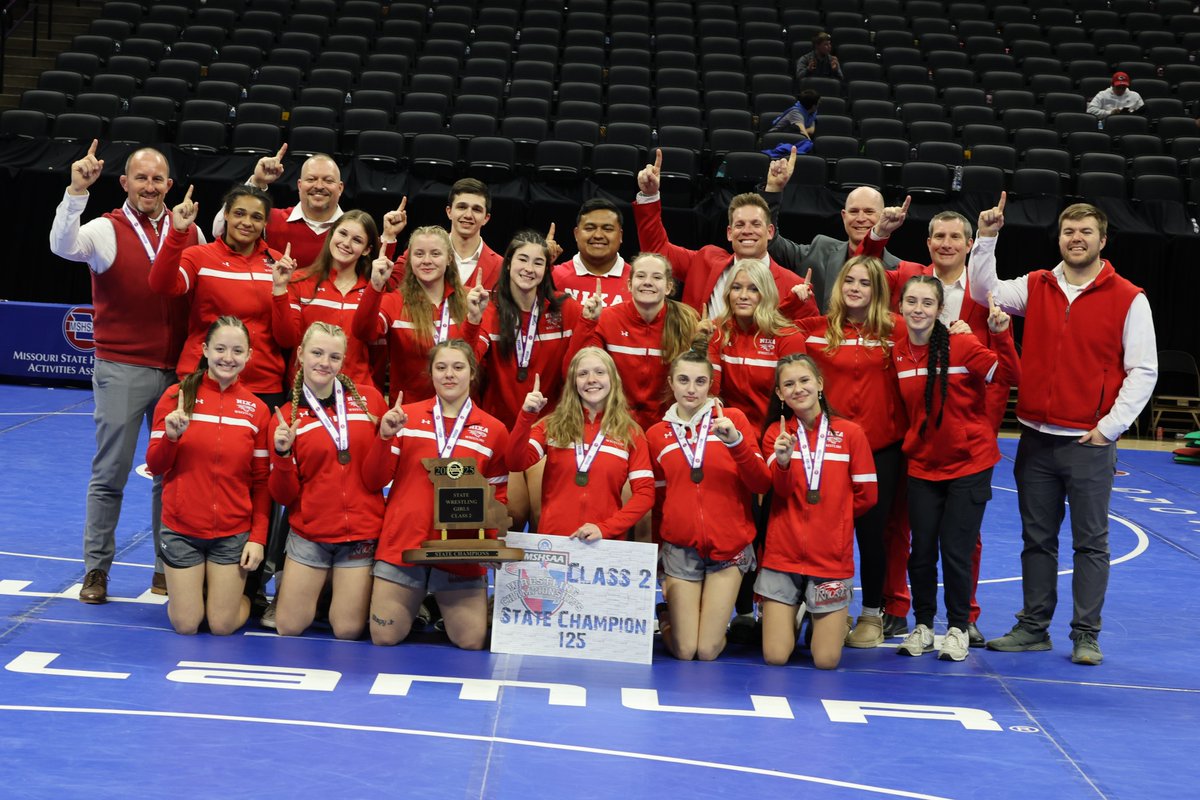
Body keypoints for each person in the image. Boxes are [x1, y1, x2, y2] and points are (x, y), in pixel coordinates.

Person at [971, 196, 1158, 666]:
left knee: (1090, 542)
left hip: (1087, 444)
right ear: (1059, 238)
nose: (1076, 239)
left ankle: (1086, 634)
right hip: (1035, 439)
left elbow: (1144, 371)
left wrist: (1109, 429)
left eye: (1085, 232)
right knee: (1037, 540)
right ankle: (1034, 627)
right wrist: (987, 238)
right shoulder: (1038, 284)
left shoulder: (1130, 297)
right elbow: (982, 291)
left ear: (1102, 239)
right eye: (1069, 231)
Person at [49, 141, 201, 603]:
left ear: (169, 186)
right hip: (121, 368)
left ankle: (166, 568)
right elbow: (62, 246)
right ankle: (97, 570)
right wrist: (76, 190)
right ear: (125, 183)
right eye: (141, 178)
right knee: (111, 472)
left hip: (177, 373)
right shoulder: (104, 229)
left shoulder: (187, 231)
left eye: (158, 179)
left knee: (171, 475)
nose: (149, 187)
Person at [858, 204, 1014, 644]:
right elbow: (866, 272)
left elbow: (999, 368)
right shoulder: (909, 280)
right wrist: (878, 235)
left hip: (969, 425)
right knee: (903, 526)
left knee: (964, 535)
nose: (946, 243)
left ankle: (967, 616)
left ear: (969, 244)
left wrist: (985, 422)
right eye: (938, 236)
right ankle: (898, 608)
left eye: (955, 237)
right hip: (913, 429)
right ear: (928, 243)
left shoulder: (986, 288)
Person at [891, 277, 1020, 661]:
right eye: (911, 301)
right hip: (922, 466)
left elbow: (1009, 376)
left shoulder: (962, 344)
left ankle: (959, 628)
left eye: (927, 303)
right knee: (921, 551)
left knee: (957, 550)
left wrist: (1001, 336)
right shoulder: (897, 354)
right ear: (901, 307)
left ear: (939, 310)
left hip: (969, 464)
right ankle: (924, 626)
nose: (918, 309)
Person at [362, 339, 509, 649]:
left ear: (473, 372)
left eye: (458, 367)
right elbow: (374, 479)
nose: (449, 375)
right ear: (430, 374)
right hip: (405, 541)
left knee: (470, 640)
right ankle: (419, 604)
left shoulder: (494, 429)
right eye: (441, 367)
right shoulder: (405, 418)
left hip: (459, 549)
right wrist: (384, 437)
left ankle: (432, 604)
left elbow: (499, 493)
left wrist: (491, 541)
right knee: (384, 636)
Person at [797, 255, 905, 648]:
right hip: (829, 451)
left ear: (878, 291)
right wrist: (795, 302)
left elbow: (939, 343)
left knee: (873, 535)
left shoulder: (899, 331)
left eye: (865, 283)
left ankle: (873, 614)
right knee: (826, 534)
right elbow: (772, 328)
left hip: (881, 451)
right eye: (849, 281)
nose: (855, 288)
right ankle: (827, 610)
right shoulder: (817, 331)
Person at [145, 316, 269, 635]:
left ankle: (220, 596)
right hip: (182, 529)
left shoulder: (256, 410)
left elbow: (261, 484)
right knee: (187, 625)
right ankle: (195, 591)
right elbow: (156, 466)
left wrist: (257, 538)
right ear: (205, 350)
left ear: (249, 355)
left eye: (237, 350)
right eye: (221, 349)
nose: (228, 358)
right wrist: (171, 437)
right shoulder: (177, 396)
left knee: (222, 625)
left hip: (231, 533)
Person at [647, 351, 771, 661]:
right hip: (680, 550)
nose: (692, 389)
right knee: (686, 650)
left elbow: (761, 483)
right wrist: (658, 552)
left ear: (710, 385)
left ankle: (697, 613)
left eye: (700, 381)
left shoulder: (733, 420)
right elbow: (658, 501)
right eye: (684, 380)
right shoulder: (656, 435)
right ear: (671, 383)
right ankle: (667, 615)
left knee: (707, 650)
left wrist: (735, 443)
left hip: (729, 550)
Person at [268, 322, 387, 639]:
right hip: (311, 535)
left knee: (347, 630)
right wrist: (281, 455)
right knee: (289, 627)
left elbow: (381, 476)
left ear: (343, 360)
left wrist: (386, 438)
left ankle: (335, 591)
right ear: (301, 355)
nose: (324, 362)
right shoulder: (285, 418)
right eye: (317, 353)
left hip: (360, 533)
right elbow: (284, 495)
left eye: (334, 356)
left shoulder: (370, 402)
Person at [759, 355, 877, 668]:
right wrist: (782, 461)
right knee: (775, 656)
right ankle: (800, 607)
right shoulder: (776, 434)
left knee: (826, 660)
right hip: (782, 556)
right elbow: (780, 492)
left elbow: (867, 496)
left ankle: (815, 610)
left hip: (830, 559)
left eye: (804, 380)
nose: (798, 389)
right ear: (780, 394)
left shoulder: (850, 434)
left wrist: (834, 521)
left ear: (819, 384)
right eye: (788, 384)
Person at [462, 231, 585, 528]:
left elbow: (578, 366)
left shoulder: (565, 309)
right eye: (523, 259)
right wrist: (472, 321)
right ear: (507, 264)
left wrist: (589, 324)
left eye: (538, 262)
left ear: (546, 270)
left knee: (546, 516)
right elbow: (467, 363)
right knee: (511, 516)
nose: (529, 268)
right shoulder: (488, 308)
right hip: (502, 430)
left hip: (549, 431)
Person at [150, 184, 295, 405]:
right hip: (203, 380)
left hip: (262, 385)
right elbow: (161, 285)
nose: (246, 222)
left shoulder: (278, 264)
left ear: (265, 223)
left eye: (256, 217)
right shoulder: (199, 257)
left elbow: (286, 338)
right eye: (239, 213)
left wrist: (280, 290)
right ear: (225, 214)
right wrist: (177, 232)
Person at [635, 149, 813, 321]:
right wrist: (649, 196)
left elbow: (812, 338)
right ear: (729, 233)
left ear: (770, 232)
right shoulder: (705, 261)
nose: (747, 230)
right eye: (740, 224)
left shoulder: (793, 286)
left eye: (756, 224)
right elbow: (657, 251)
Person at [506, 347, 655, 541]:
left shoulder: (630, 433)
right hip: (555, 542)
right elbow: (515, 463)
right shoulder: (551, 426)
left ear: (613, 379)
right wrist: (526, 416)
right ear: (573, 383)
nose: (591, 379)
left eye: (600, 372)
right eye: (582, 374)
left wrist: (607, 528)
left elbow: (645, 494)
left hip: (605, 542)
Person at [576, 253, 704, 432]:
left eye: (657, 277)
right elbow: (577, 371)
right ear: (629, 284)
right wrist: (588, 323)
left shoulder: (688, 321)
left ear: (668, 287)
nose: (648, 282)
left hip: (670, 426)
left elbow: (701, 380)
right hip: (616, 425)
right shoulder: (608, 319)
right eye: (641, 276)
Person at [351, 225, 468, 402]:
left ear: (449, 259)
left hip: (459, 410)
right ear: (409, 260)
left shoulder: (469, 301)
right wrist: (375, 285)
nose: (426, 260)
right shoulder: (394, 302)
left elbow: (476, 358)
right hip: (407, 414)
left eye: (435, 254)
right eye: (419, 254)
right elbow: (363, 331)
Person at [271, 210, 382, 391]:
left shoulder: (373, 290)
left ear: (367, 250)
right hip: (306, 389)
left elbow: (375, 346)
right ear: (332, 234)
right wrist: (279, 289)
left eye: (357, 240)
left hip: (356, 390)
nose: (346, 243)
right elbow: (286, 339)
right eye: (342, 233)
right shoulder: (299, 281)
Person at [707, 258, 808, 434]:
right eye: (736, 288)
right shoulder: (717, 331)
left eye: (754, 289)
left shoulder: (788, 337)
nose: (743, 295)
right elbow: (710, 394)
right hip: (727, 432)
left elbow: (799, 401)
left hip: (776, 436)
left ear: (766, 294)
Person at [214, 147, 346, 268]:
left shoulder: (353, 230)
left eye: (328, 180)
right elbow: (219, 231)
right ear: (300, 185)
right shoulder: (271, 218)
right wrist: (257, 182)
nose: (319, 186)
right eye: (311, 179)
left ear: (340, 188)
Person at [551, 198, 632, 308]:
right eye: (589, 228)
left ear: (620, 235)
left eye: (607, 229)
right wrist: (540, 260)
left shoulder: (637, 281)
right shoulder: (553, 276)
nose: (598, 235)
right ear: (576, 234)